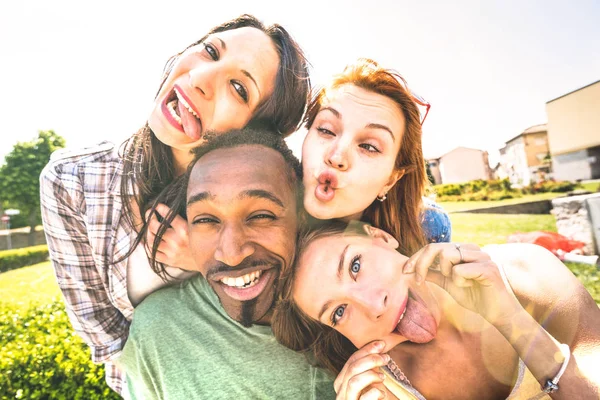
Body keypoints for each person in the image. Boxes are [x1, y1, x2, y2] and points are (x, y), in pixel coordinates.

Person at [39, 14, 310, 395]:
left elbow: (287, 308)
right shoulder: (72, 182)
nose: (200, 78)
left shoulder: (276, 199)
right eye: (210, 51)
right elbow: (104, 337)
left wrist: (205, 261)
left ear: (256, 132)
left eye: (238, 87)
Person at [116, 128, 335, 399]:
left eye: (261, 215)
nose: (231, 254)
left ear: (302, 216)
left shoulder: (351, 313)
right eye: (206, 220)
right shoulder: (158, 331)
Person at [273, 220, 600, 399]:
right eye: (339, 313)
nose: (373, 306)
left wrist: (511, 319)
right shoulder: (380, 391)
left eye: (356, 265)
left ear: (382, 237)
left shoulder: (526, 269)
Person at [300, 58, 450, 256]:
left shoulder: (427, 226)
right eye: (326, 130)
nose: (337, 157)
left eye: (369, 146)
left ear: (390, 179)